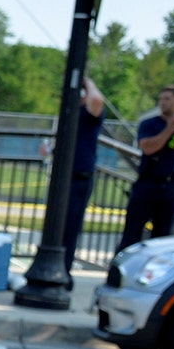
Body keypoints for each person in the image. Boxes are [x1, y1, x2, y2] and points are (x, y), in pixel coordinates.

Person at [118, 84, 174, 252]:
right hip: (147, 184)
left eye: (167, 99)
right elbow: (148, 148)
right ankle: (116, 276)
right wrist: (169, 129)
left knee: (163, 238)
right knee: (132, 235)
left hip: (171, 186)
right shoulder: (149, 124)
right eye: (161, 99)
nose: (163, 103)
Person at [59, 76, 106, 283]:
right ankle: (57, 268)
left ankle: (63, 272)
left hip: (80, 178)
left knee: (70, 228)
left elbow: (96, 100)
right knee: (57, 227)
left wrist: (86, 80)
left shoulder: (91, 115)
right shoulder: (71, 115)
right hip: (63, 178)